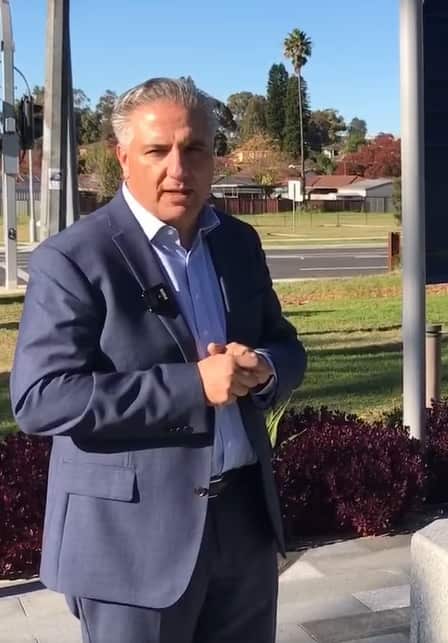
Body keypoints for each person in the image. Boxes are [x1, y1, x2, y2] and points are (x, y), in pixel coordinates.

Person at [9, 77, 307, 642]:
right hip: (130, 543)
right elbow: (41, 399)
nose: (179, 167)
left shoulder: (238, 244)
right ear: (123, 158)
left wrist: (265, 369)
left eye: (194, 148)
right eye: (157, 150)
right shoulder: (73, 260)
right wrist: (194, 386)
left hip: (243, 523)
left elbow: (287, 346)